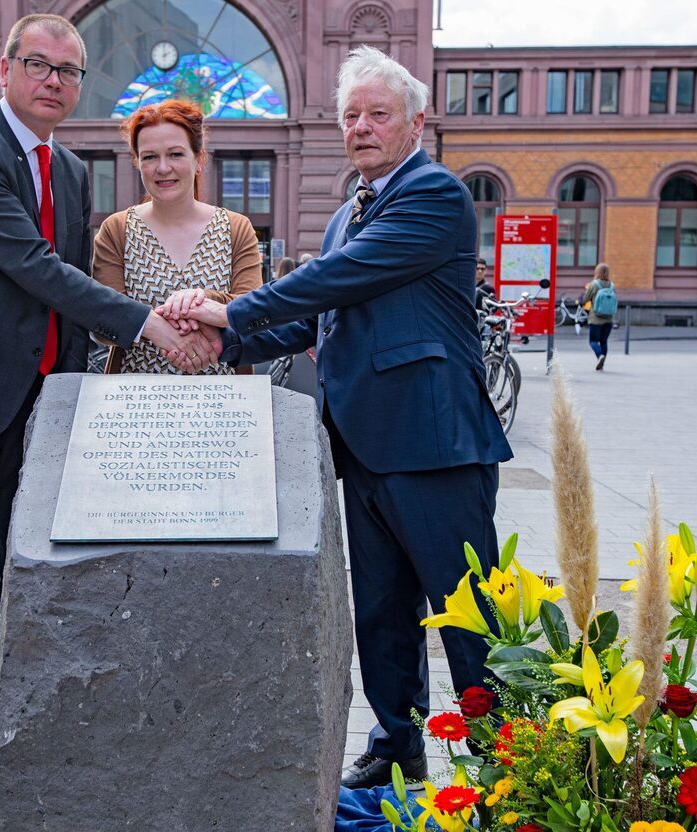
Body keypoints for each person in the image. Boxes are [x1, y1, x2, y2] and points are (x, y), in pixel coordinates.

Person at [0, 13, 218, 817]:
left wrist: (90, 382)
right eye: (39, 65)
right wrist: (147, 323)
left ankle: (16, 730)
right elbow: (28, 265)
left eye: (69, 72)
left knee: (26, 575)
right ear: (5, 71)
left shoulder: (69, 167)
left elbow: (69, 277)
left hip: (37, 403)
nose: (55, 82)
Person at [159, 46, 512, 790]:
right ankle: (398, 740)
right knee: (382, 610)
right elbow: (324, 316)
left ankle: (506, 762)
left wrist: (233, 308)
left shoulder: (433, 195)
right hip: (366, 442)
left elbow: (338, 278)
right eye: (350, 115)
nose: (360, 127)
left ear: (417, 122)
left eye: (377, 114)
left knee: (468, 616)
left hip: (435, 442)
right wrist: (227, 342)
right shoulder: (356, 204)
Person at [92, 100, 261, 374]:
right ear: (137, 163)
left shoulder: (235, 227)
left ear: (199, 160)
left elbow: (253, 312)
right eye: (149, 157)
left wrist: (202, 301)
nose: (162, 168)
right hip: (134, 400)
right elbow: (103, 323)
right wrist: (157, 328)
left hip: (223, 399)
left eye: (175, 154)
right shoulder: (117, 229)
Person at [582, 263, 617, 370]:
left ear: (597, 272)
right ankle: (602, 362)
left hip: (596, 318)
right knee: (604, 341)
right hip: (609, 318)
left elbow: (585, 299)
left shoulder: (594, 284)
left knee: (593, 341)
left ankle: (599, 356)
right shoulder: (612, 285)